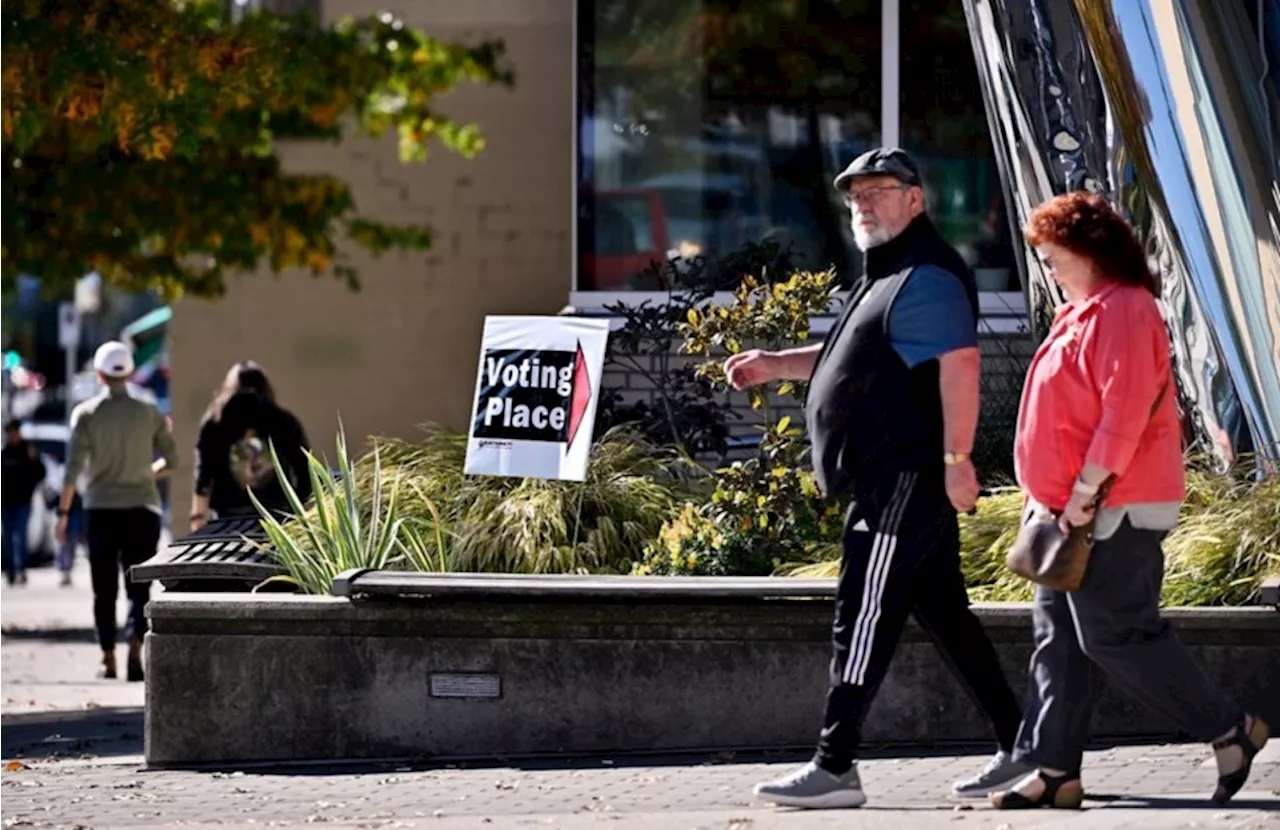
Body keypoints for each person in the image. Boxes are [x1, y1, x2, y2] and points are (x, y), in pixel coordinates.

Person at [738, 147, 1028, 809]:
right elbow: (851, 358)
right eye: (855, 195)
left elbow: (960, 370)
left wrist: (957, 464)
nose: (862, 203)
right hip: (889, 479)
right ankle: (1020, 746)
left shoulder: (926, 274)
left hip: (903, 478)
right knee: (947, 618)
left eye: (878, 191)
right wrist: (776, 364)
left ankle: (835, 765)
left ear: (915, 199)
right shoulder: (885, 275)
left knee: (860, 615)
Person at [989, 191, 1269, 810]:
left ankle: (1231, 729)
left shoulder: (1127, 309)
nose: (1049, 269)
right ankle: (1057, 772)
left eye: (1057, 257)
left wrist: (1086, 490)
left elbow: (1125, 409)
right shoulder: (1081, 311)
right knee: (1056, 640)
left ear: (1092, 252)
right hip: (1067, 510)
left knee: (1116, 635)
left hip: (1110, 506)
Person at [58, 341, 178, 682]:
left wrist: (63, 514)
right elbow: (173, 460)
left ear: (98, 374)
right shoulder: (150, 412)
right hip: (143, 508)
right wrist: (147, 471)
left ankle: (107, 656)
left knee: (104, 587)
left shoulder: (86, 414)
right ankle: (136, 648)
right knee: (139, 587)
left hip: (100, 510)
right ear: (128, 372)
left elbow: (71, 470)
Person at [190, 361, 311, 532]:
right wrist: (296, 514)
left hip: (227, 517)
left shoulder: (215, 423)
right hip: (274, 516)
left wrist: (198, 517)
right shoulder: (283, 420)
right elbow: (305, 472)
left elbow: (202, 476)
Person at [0, 419, 46, 586]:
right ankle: (10, 570)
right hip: (5, 503)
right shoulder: (4, 453)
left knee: (20, 537)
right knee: (7, 538)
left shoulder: (28, 452)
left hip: (22, 502)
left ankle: (20, 570)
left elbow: (41, 473)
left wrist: (33, 462)